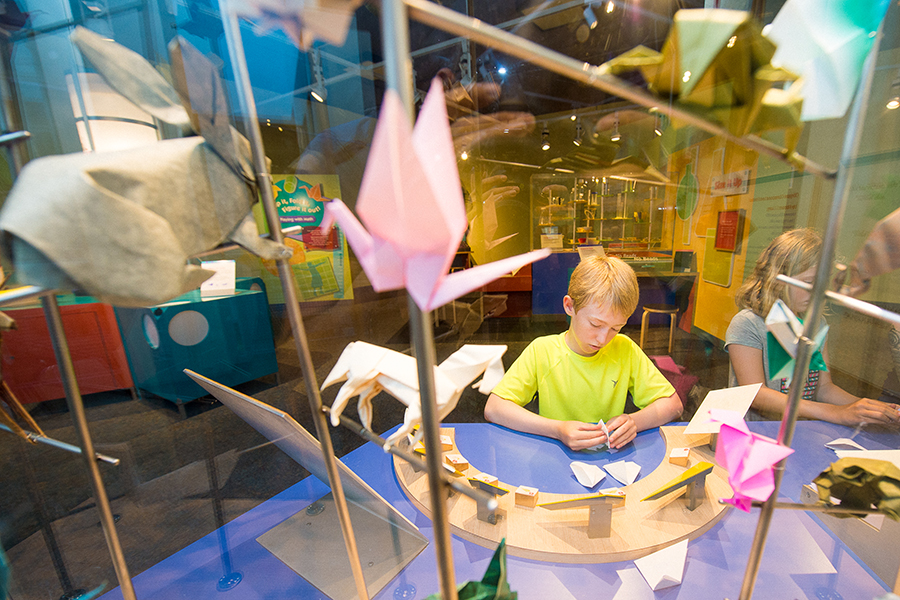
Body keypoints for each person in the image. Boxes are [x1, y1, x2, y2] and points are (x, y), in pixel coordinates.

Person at [483, 255, 683, 451]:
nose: (603, 339)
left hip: (608, 459)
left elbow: (673, 405)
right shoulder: (542, 351)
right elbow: (494, 408)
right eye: (596, 324)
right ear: (569, 306)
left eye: (616, 328)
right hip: (553, 456)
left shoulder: (625, 349)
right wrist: (557, 429)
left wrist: (634, 422)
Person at [725, 228, 900, 427]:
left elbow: (823, 388)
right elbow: (756, 395)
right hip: (758, 433)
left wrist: (868, 408)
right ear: (778, 280)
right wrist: (835, 413)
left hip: (801, 431)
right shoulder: (749, 323)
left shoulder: (816, 325)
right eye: (808, 282)